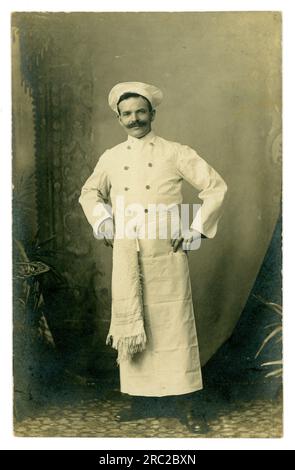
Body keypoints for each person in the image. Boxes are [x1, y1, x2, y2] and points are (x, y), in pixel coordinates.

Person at [79, 81, 227, 434]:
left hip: (167, 253)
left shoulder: (175, 152)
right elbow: (89, 193)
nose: (135, 119)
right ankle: (140, 397)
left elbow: (215, 186)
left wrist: (194, 229)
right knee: (135, 322)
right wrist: (105, 222)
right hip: (129, 252)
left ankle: (187, 401)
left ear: (153, 114)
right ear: (119, 118)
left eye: (141, 112)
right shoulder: (111, 157)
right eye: (127, 114)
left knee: (173, 325)